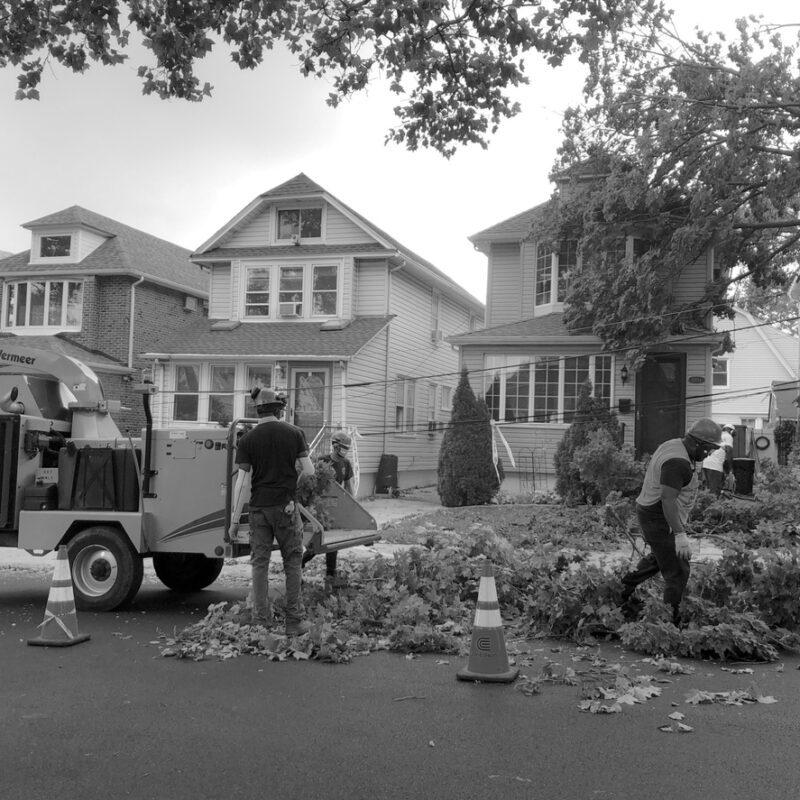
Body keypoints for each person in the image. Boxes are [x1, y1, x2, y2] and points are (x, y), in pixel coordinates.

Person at [620, 418, 724, 627]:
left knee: (659, 559)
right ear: (698, 443)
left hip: (651, 511)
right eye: (709, 449)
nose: (710, 454)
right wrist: (679, 534)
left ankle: (621, 590)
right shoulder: (678, 462)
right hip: (658, 515)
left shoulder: (674, 444)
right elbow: (667, 499)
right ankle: (670, 622)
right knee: (678, 568)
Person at [229, 387, 315, 635]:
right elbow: (308, 472)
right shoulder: (294, 434)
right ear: (278, 409)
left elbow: (243, 482)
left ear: (257, 410)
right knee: (292, 561)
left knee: (260, 564)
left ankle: (262, 621)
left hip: (259, 510)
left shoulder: (248, 440)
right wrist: (290, 491)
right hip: (286, 508)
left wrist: (235, 521)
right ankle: (294, 622)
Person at [302, 431, 355, 588]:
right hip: (321, 507)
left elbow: (349, 487)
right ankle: (299, 564)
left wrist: (352, 506)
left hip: (336, 508)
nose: (346, 450)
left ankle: (330, 574)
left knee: (333, 543)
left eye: (347, 448)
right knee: (316, 542)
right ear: (335, 446)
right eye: (344, 447)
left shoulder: (346, 464)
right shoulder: (321, 461)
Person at [702, 423, 735, 495]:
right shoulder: (728, 436)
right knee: (713, 491)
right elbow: (729, 452)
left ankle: (705, 504)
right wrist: (730, 468)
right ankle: (713, 505)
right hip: (715, 466)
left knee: (707, 489)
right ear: (731, 431)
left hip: (705, 464)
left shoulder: (717, 436)